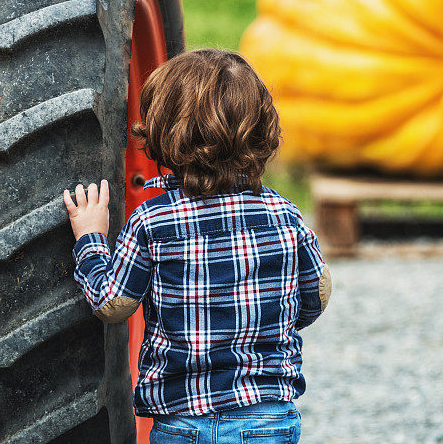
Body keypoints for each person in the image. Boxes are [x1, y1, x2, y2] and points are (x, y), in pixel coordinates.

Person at [63, 48, 331, 443]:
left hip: (184, 422)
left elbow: (112, 303)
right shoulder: (285, 214)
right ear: (261, 129)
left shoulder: (152, 222)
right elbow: (316, 297)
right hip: (266, 418)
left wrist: (90, 238)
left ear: (162, 130)